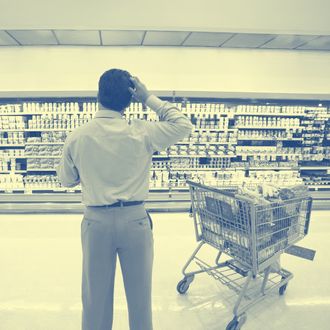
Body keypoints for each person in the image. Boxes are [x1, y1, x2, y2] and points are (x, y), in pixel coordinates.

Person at [56, 68, 193, 330]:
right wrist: (148, 97)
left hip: (96, 223)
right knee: (140, 298)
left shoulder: (78, 136)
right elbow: (183, 124)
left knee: (95, 298)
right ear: (131, 99)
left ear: (98, 95)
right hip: (135, 221)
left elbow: (65, 180)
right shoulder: (143, 131)